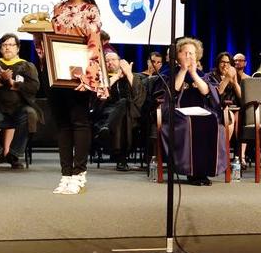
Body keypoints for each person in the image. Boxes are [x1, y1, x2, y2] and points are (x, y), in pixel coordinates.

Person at [37, 0, 105, 195]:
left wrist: (87, 75)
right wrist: (39, 34)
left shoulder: (90, 10)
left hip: (79, 73)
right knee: (62, 124)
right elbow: (48, 42)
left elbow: (94, 43)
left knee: (79, 121)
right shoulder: (57, 8)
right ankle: (65, 174)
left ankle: (79, 173)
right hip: (56, 71)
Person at [158, 37, 228, 186]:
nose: (189, 57)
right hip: (178, 113)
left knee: (211, 121)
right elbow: (172, 92)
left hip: (201, 111)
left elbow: (206, 93)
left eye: (192, 54)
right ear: (178, 55)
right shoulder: (169, 73)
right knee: (188, 123)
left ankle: (203, 171)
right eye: (186, 53)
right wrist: (183, 70)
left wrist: (194, 73)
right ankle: (191, 172)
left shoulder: (203, 75)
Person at [0, 33, 42, 170]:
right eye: (4, 45)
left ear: (18, 48)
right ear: (0, 48)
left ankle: (13, 154)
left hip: (19, 109)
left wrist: (12, 83)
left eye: (11, 45)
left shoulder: (27, 66)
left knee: (30, 114)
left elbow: (34, 87)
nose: (7, 48)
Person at [93, 51, 146, 171]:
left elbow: (138, 95)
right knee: (122, 123)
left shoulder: (133, 77)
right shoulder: (102, 78)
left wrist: (127, 73)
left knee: (123, 104)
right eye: (107, 61)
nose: (110, 62)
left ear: (120, 62)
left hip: (131, 114)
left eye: (113, 59)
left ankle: (106, 130)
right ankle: (122, 160)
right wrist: (116, 76)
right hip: (107, 113)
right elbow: (99, 94)